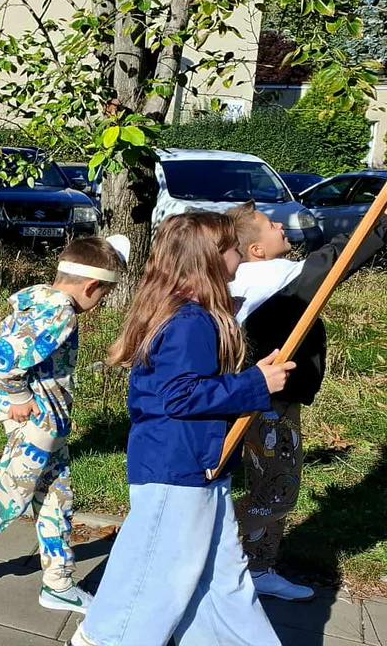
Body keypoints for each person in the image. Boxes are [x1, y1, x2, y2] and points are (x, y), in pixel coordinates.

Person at [72, 212, 295, 646]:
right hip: (177, 468)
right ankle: (106, 639)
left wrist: (253, 379)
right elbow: (180, 395)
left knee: (221, 577)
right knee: (157, 576)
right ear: (211, 258)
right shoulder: (189, 321)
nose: (239, 256)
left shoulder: (187, 314)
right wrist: (255, 383)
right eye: (232, 248)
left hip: (199, 464)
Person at [0, 235, 129, 613]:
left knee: (55, 499)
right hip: (38, 422)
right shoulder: (61, 312)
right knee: (9, 495)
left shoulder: (41, 297)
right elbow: (5, 349)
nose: (100, 304)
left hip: (49, 422)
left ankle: (59, 583)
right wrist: (16, 395)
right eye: (103, 295)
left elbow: (4, 336)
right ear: (91, 286)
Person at [225, 201, 387, 600]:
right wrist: (380, 227)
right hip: (268, 407)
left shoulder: (239, 281)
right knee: (278, 491)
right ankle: (207, 540)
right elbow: (337, 260)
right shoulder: (277, 280)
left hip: (256, 399)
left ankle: (257, 566)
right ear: (256, 249)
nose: (281, 226)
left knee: (269, 486)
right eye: (270, 225)